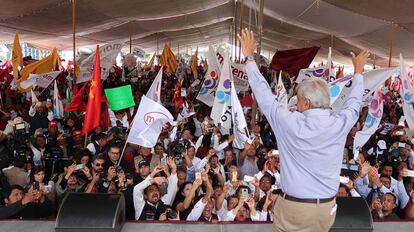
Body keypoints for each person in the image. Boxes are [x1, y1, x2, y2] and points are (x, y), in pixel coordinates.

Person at [238, 28, 370, 231]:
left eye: (298, 101)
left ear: (307, 103)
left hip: (295, 209)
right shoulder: (341, 122)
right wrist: (359, 73)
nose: (295, 104)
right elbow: (354, 102)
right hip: (327, 209)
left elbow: (264, 96)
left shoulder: (291, 122)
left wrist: (249, 58)